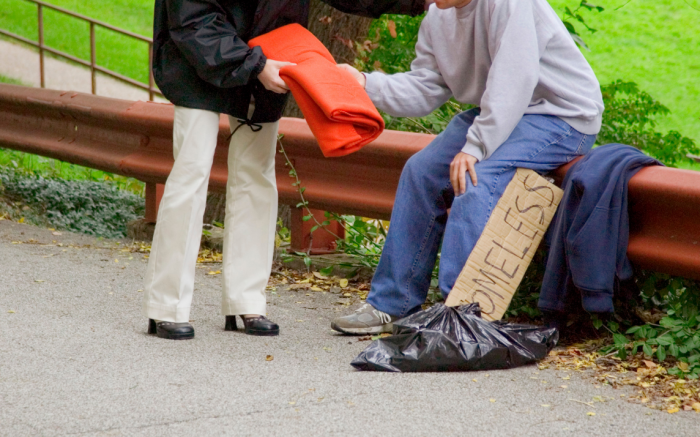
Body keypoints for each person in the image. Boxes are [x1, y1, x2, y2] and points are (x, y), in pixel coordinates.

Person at [143, 0, 427, 340]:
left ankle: (246, 300)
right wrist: (253, 64)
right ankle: (166, 306)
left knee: (257, 177)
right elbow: (191, 17)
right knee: (192, 171)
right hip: (199, 58)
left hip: (271, 58)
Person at [331, 0, 604, 334]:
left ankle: (463, 318)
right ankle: (393, 304)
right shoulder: (437, 17)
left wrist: (476, 146)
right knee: (421, 171)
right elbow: (425, 88)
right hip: (503, 112)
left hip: (563, 116)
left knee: (476, 177)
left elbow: (513, 80)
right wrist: (363, 83)